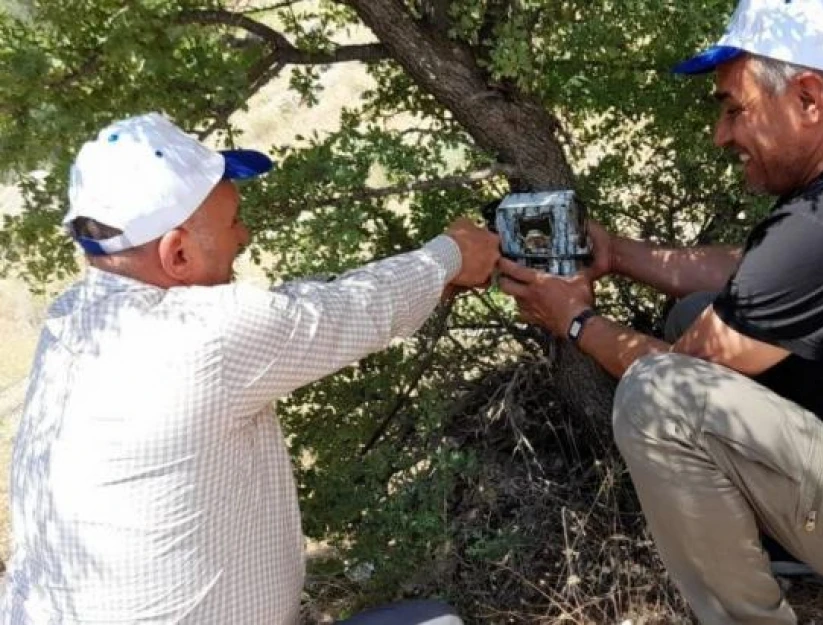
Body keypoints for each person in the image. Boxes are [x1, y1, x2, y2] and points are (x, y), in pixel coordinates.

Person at [498, 0, 823, 622]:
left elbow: (679, 368)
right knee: (699, 312)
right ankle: (773, 528)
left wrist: (574, 320)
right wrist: (616, 253)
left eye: (735, 109)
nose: (722, 135)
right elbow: (751, 274)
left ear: (808, 97)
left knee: (658, 397)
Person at [0, 112, 498, 624]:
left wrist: (436, 280)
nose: (246, 235)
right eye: (233, 221)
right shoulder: (205, 339)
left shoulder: (72, 317)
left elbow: (292, 305)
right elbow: (353, 312)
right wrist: (451, 256)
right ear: (176, 252)